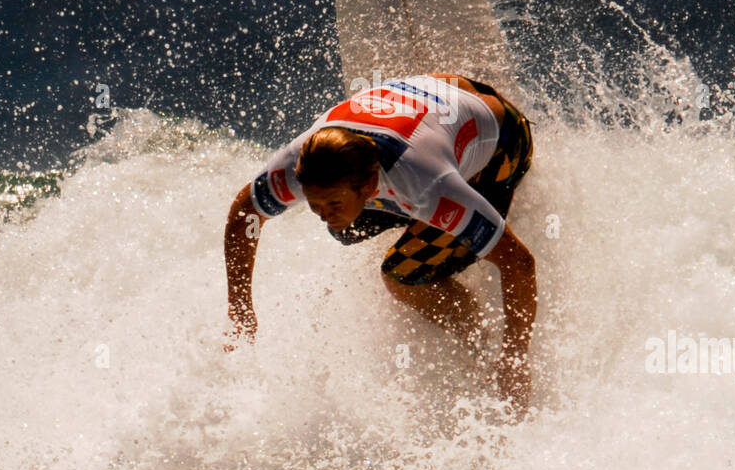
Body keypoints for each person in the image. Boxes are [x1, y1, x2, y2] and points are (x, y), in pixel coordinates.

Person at [224, 73, 536, 411]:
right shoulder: (300, 164)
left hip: (505, 142)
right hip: (448, 91)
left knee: (402, 276)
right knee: (343, 229)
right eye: (314, 203)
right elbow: (245, 216)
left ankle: (479, 344)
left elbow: (519, 263)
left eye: (332, 203)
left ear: (370, 183)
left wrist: (514, 358)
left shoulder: (429, 185)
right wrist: (241, 310)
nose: (322, 212)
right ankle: (422, 216)